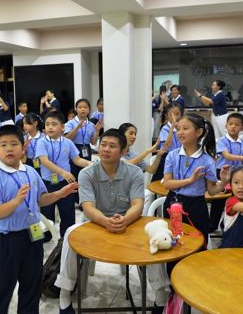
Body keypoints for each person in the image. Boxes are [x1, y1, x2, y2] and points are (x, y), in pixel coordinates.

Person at [55, 129, 169, 314]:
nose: (106, 149)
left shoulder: (134, 172)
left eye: (112, 146)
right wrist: (105, 221)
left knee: (154, 236)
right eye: (103, 145)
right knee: (69, 233)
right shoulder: (87, 173)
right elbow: (88, 207)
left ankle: (160, 293)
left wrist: (125, 219)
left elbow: (138, 205)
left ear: (124, 151)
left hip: (129, 223)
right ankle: (64, 294)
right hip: (95, 223)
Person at [0, 125, 78, 314]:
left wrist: (59, 194)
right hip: (7, 241)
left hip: (33, 237)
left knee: (32, 287)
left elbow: (41, 199)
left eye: (14, 144)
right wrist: (16, 200)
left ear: (23, 148)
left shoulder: (30, 171)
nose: (9, 148)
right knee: (2, 290)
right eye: (3, 145)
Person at [162, 113, 231, 244]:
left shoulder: (207, 160)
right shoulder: (172, 155)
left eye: (185, 128)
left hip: (196, 206)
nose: (180, 132)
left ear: (199, 132)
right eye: (178, 129)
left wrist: (224, 182)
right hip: (172, 202)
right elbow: (167, 184)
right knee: (172, 245)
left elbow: (211, 191)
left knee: (195, 245)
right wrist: (190, 180)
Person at [35, 110, 91, 237]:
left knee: (68, 213)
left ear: (62, 127)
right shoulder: (42, 142)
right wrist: (62, 172)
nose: (50, 127)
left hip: (66, 183)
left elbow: (77, 159)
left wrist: (89, 164)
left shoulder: (67, 142)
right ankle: (47, 236)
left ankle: (66, 237)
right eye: (47, 124)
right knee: (47, 212)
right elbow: (44, 161)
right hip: (47, 183)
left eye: (54, 124)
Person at [210, 113, 243, 233]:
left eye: (237, 124)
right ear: (226, 126)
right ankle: (212, 225)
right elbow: (227, 156)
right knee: (219, 201)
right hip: (222, 173)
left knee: (235, 201)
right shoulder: (221, 141)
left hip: (238, 175)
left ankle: (228, 227)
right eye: (230, 124)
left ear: (242, 128)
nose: (233, 127)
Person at [119, 123, 171, 215]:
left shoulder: (134, 154)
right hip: (118, 189)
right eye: (131, 133)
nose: (134, 136)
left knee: (148, 194)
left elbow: (151, 170)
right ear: (121, 134)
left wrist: (158, 156)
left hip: (132, 189)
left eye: (135, 134)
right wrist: (147, 151)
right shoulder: (116, 150)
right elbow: (126, 164)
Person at [151, 104, 183, 182]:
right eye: (172, 115)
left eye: (177, 114)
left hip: (179, 157)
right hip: (166, 157)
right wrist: (172, 127)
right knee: (160, 181)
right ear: (166, 116)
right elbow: (166, 146)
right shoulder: (165, 129)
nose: (175, 117)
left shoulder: (181, 129)